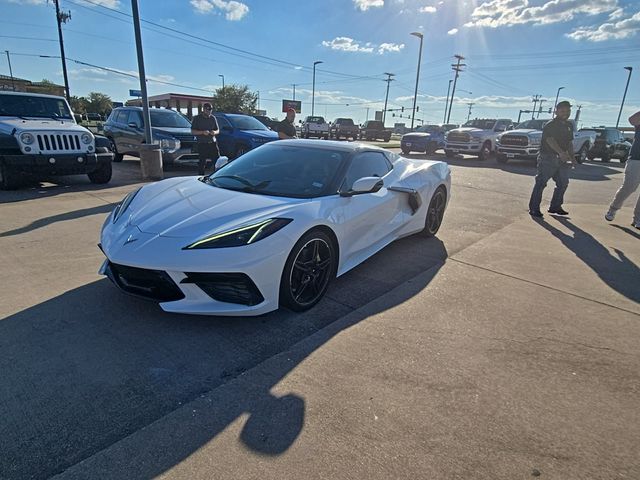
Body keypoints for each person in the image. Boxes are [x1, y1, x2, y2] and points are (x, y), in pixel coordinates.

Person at [528, 100, 575, 218]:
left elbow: (569, 142)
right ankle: (534, 209)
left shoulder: (569, 125)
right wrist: (560, 152)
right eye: (562, 110)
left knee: (563, 183)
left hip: (563, 159)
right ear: (556, 111)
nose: (565, 113)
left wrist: (573, 158)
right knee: (541, 183)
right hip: (548, 158)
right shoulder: (551, 125)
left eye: (568, 110)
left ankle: (555, 206)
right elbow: (550, 140)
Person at [605, 111, 640, 229]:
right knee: (629, 186)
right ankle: (613, 208)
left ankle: (637, 219)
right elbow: (632, 120)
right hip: (636, 159)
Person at [191, 102, 220, 175]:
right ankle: (200, 177)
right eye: (207, 109)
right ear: (203, 109)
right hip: (202, 143)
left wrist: (214, 132)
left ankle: (217, 175)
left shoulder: (213, 118)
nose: (209, 111)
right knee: (202, 162)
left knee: (217, 161)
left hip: (212, 143)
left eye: (210, 109)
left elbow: (218, 130)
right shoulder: (197, 118)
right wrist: (202, 132)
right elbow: (193, 132)